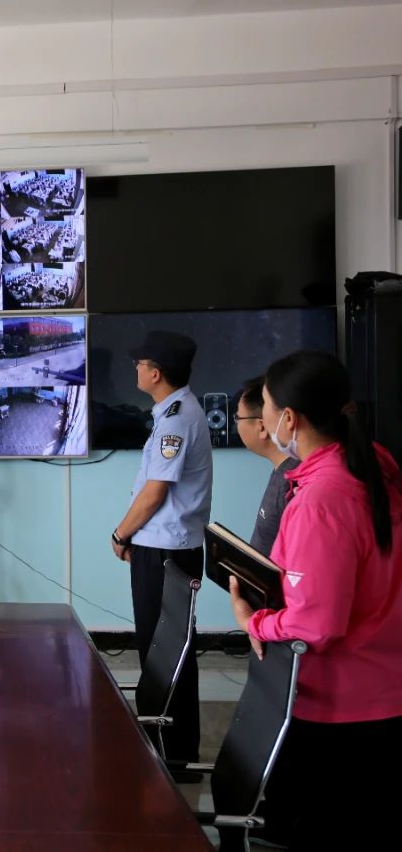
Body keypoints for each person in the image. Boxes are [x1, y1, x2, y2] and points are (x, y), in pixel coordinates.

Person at [229, 350, 402, 849]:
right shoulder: (373, 462)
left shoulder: (322, 498)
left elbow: (316, 625)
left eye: (263, 406)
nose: (260, 419)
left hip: (342, 708)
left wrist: (253, 621)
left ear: (289, 418)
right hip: (383, 689)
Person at [110, 329, 213, 772]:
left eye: (140, 362)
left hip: (165, 550)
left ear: (156, 373)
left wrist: (121, 534)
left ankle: (172, 752)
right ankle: (167, 743)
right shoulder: (174, 412)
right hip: (164, 546)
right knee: (163, 646)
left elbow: (155, 493)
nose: (135, 368)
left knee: (164, 649)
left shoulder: (176, 419)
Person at [234, 375, 298, 557]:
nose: (236, 423)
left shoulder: (294, 482)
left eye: (238, 417)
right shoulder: (282, 470)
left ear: (261, 427)